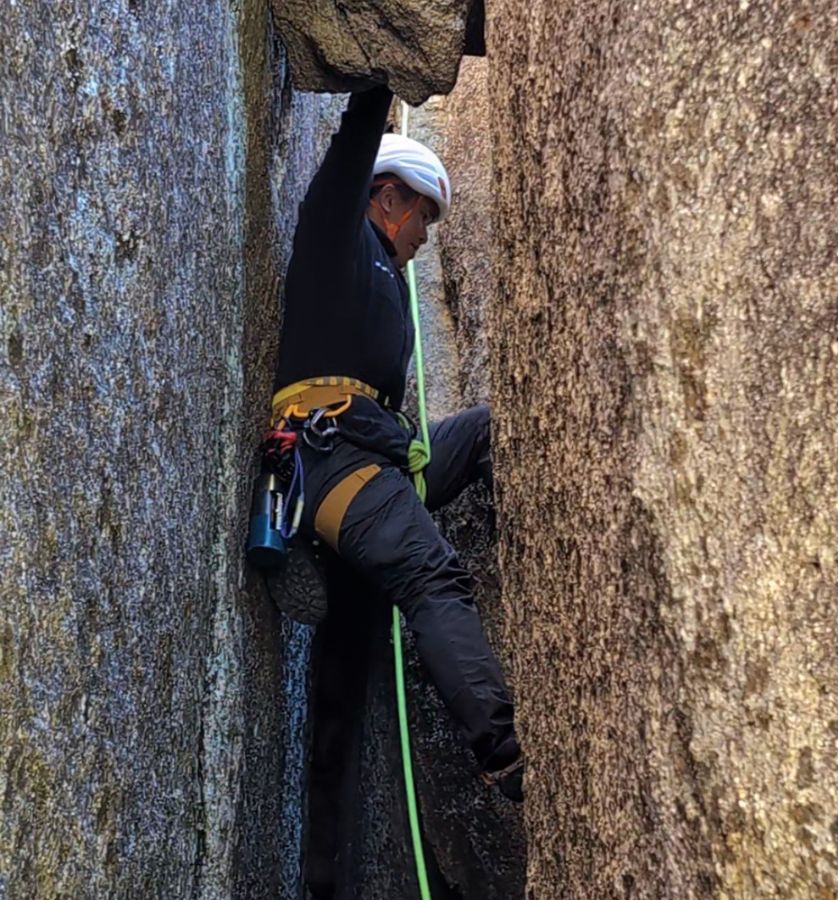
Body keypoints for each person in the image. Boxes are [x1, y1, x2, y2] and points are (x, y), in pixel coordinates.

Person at [269, 85, 522, 801]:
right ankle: (502, 750)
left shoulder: (386, 275)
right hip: (329, 462)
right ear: (387, 197)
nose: (426, 237)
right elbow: (346, 162)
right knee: (430, 575)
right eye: (425, 217)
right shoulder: (336, 243)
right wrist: (378, 80)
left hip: (380, 457)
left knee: (480, 433)